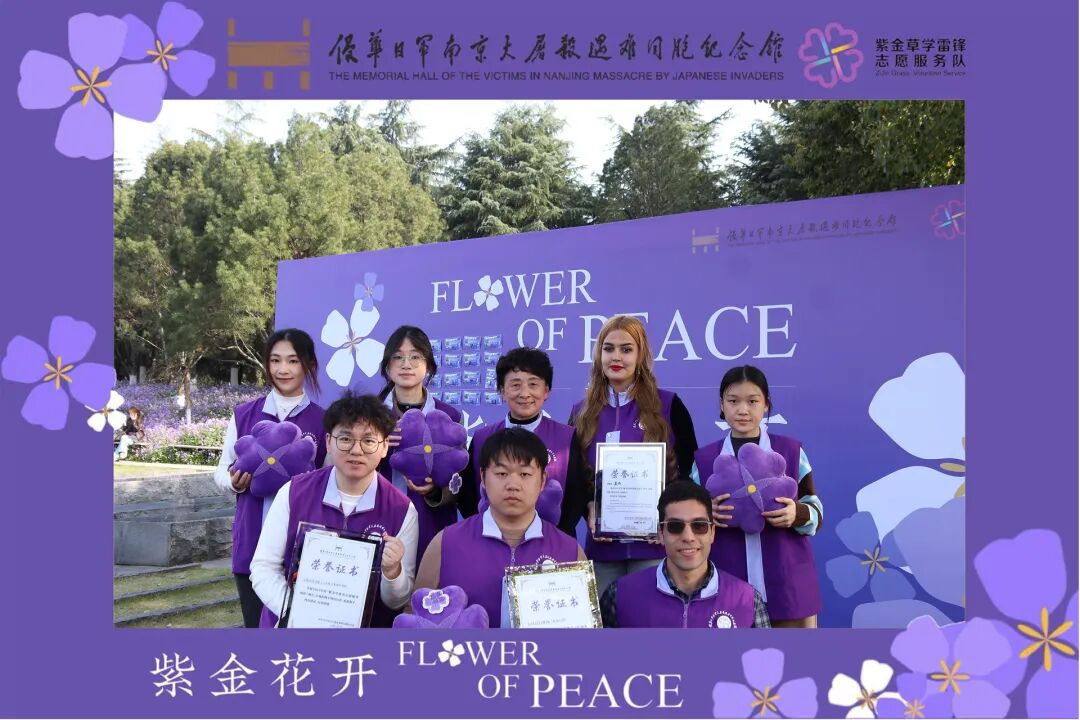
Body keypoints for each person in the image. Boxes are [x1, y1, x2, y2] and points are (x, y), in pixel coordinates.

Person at [250, 392, 418, 628]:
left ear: (384, 447)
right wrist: (296, 614)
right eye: (346, 439)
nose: (356, 450)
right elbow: (263, 568)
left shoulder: (401, 509)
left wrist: (393, 572)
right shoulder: (294, 492)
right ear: (328, 442)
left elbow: (396, 600)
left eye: (369, 441)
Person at [569, 315, 699, 594]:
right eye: (608, 348)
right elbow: (574, 477)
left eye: (626, 349)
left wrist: (667, 517)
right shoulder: (580, 412)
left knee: (649, 618)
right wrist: (588, 508)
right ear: (599, 354)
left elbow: (689, 473)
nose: (616, 357)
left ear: (641, 355)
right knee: (603, 620)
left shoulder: (669, 405)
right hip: (602, 551)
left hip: (655, 548)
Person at [413, 427, 585, 627]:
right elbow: (416, 617)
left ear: (542, 480)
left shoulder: (570, 552)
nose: (513, 484)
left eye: (525, 474)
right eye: (502, 473)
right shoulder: (446, 544)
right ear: (483, 477)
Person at [693, 365, 823, 628]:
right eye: (733, 401)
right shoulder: (704, 460)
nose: (743, 410)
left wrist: (796, 513)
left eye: (752, 401)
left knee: (798, 654)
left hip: (788, 585)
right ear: (721, 405)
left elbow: (816, 511)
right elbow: (688, 517)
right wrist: (706, 515)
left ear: (766, 405)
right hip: (727, 582)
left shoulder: (791, 451)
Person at [214, 328, 327, 628]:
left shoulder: (324, 420)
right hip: (251, 540)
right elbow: (221, 470)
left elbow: (330, 478)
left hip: (303, 547)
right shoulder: (244, 414)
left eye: (293, 360)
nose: (283, 369)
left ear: (309, 365)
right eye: (275, 360)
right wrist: (233, 481)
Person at [600, 482, 770, 628]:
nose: (688, 537)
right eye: (675, 526)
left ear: (712, 532)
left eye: (699, 525)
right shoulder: (619, 595)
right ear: (661, 534)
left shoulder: (749, 601)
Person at [457, 347, 588, 537]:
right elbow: (468, 497)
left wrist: (554, 538)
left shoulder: (566, 437)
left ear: (546, 391)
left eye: (533, 384)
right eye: (515, 385)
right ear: (502, 391)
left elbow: (576, 498)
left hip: (552, 544)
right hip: (492, 542)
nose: (525, 393)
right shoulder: (482, 438)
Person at [376, 325, 463, 560]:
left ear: (429, 366)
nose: (406, 364)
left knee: (427, 577)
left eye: (415, 357)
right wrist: (373, 443)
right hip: (378, 517)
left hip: (430, 521)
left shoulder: (449, 416)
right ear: (387, 366)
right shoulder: (369, 414)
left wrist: (436, 490)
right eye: (398, 357)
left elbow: (460, 478)